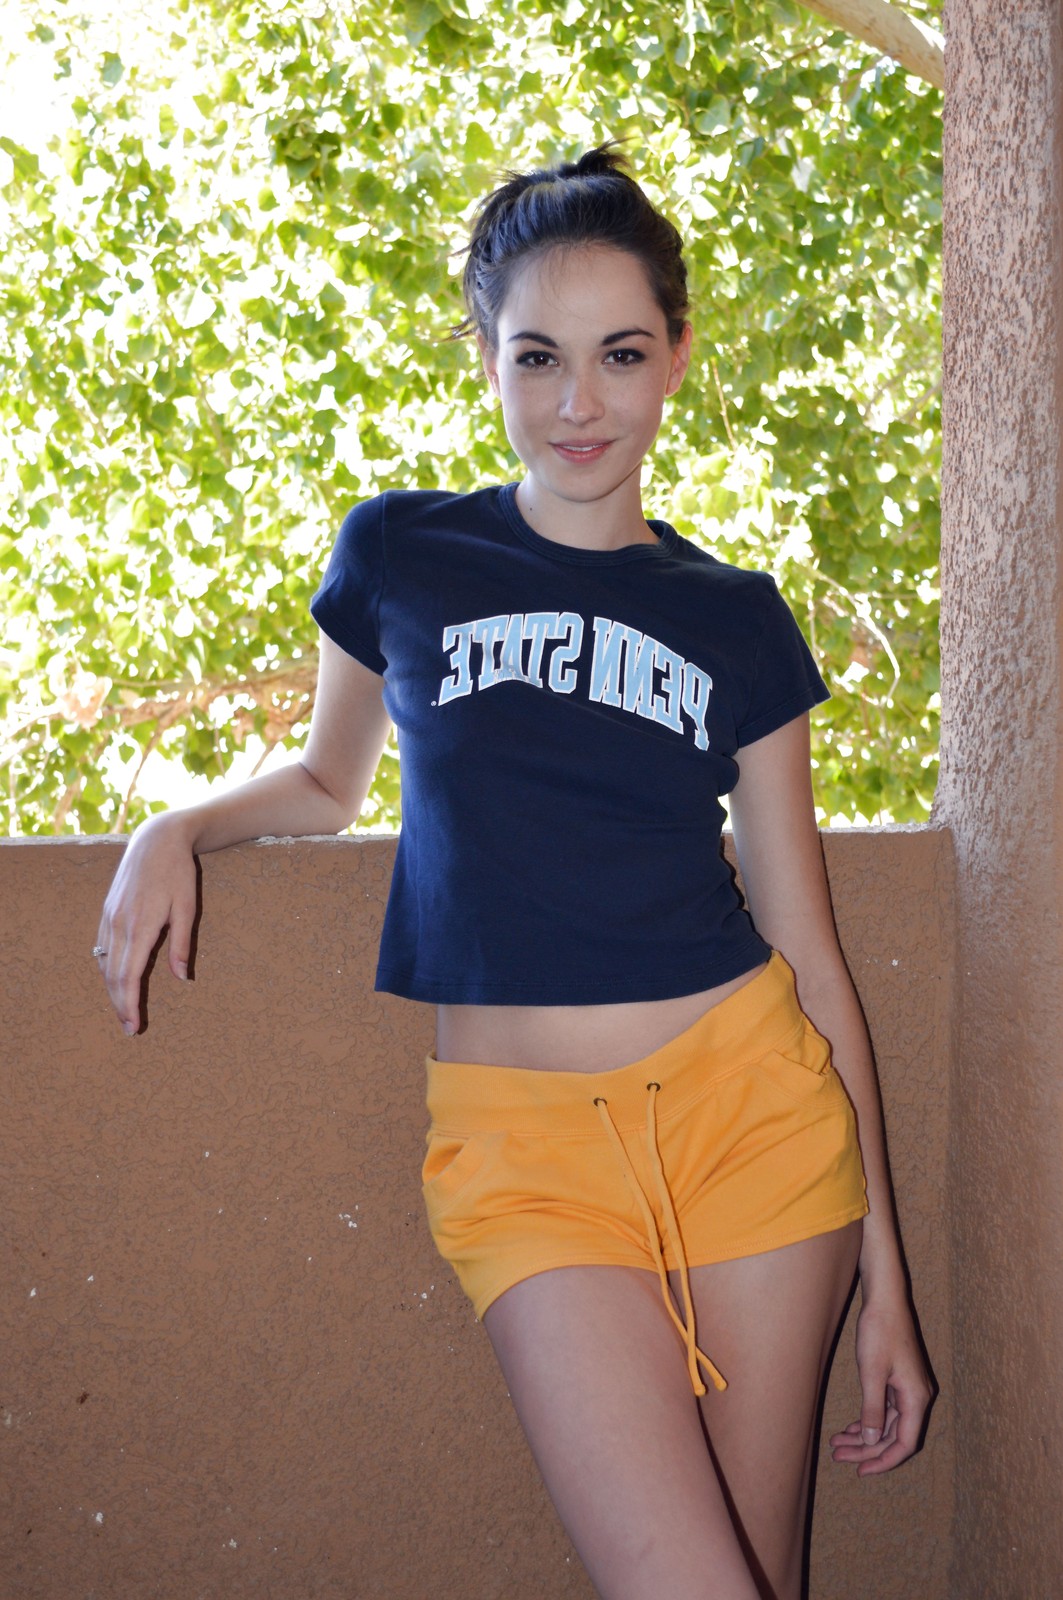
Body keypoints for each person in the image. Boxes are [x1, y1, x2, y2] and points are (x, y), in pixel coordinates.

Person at [95, 144, 933, 1600]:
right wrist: (175, 828)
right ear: (485, 357)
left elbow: (806, 946)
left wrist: (890, 1285)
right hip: (524, 1158)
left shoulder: (736, 617)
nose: (578, 402)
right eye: (538, 356)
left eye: (620, 354)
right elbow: (327, 784)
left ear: (676, 358)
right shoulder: (404, 553)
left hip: (752, 1119)